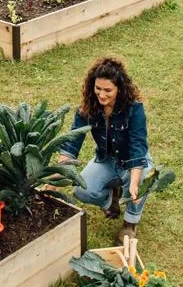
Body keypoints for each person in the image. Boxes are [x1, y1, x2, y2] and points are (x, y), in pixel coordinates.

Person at [57, 55, 157, 243]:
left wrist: (135, 182)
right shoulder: (88, 108)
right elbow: (72, 143)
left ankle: (130, 224)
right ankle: (111, 202)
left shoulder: (134, 108)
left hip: (132, 161)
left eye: (108, 90)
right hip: (106, 160)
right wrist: (54, 176)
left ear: (120, 88)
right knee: (81, 189)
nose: (102, 95)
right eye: (98, 89)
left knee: (141, 181)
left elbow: (138, 146)